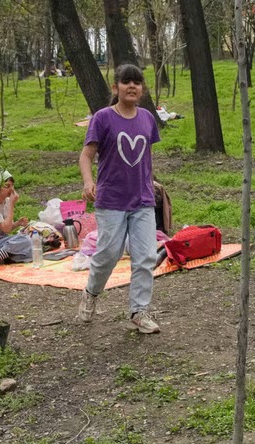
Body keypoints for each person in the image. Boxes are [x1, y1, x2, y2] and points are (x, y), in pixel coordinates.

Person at [77, 64, 162, 334]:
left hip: (142, 200)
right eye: (126, 82)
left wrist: (150, 180)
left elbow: (145, 155)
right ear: (116, 87)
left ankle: (139, 311)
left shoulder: (148, 118)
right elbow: (86, 155)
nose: (132, 87)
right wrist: (89, 181)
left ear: (142, 88)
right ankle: (91, 293)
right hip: (111, 200)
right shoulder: (103, 118)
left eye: (137, 82)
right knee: (108, 254)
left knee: (146, 255)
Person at [0, 170, 32, 266]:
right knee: (25, 240)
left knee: (30, 244)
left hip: (3, 241)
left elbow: (7, 228)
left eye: (12, 186)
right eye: (7, 186)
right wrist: (11, 205)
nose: (11, 189)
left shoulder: (6, 201)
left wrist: (17, 224)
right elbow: (6, 228)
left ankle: (3, 257)